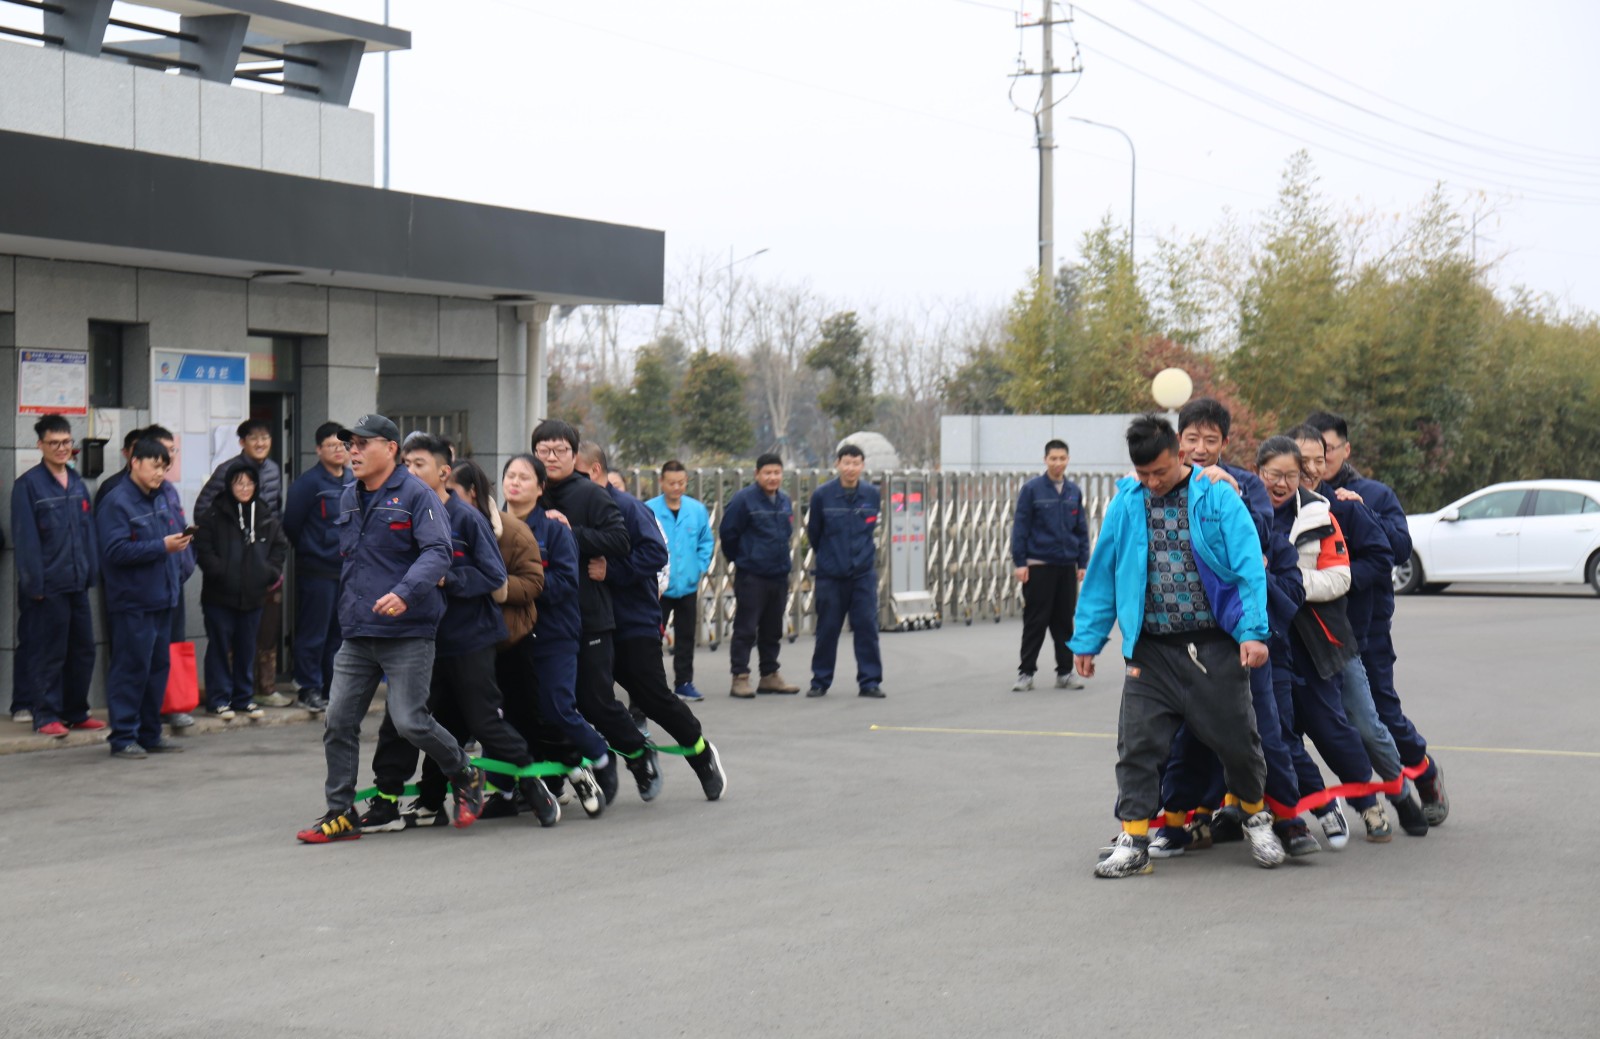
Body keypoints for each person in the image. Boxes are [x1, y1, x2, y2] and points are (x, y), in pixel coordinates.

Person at [1069, 415, 1285, 878]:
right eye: (1143, 473)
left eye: (1160, 472)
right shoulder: (1127, 502)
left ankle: (1255, 818)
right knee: (1137, 745)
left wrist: (1252, 630)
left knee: (1238, 743)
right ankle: (1134, 841)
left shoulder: (1216, 496)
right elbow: (1104, 573)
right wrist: (1087, 640)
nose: (1152, 482)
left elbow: (1247, 565)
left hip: (1213, 646)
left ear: (1181, 456)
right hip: (1150, 650)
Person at [296, 414, 485, 844]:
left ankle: (465, 771)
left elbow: (438, 553)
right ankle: (340, 812)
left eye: (363, 443)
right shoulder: (349, 495)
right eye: (350, 444)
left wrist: (404, 593)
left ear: (391, 448)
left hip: (408, 630)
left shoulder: (418, 495)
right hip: (358, 630)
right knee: (338, 720)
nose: (353, 451)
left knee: (410, 721)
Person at [360, 434, 559, 833]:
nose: (410, 471)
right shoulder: (399, 515)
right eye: (406, 465)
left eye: (419, 465)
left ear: (443, 472)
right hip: (419, 638)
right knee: (402, 721)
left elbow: (494, 576)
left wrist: (447, 578)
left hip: (469, 638)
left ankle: (532, 784)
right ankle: (389, 801)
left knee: (483, 721)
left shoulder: (467, 518)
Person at [1307, 410, 1448, 826]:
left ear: (1345, 450)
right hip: (1314, 629)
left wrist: (1362, 511)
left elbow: (1398, 550)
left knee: (1381, 713)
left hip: (1365, 625)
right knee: (1318, 719)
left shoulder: (1373, 494)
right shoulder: (1294, 496)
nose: (1319, 461)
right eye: (1311, 453)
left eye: (1328, 451)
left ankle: (1424, 774)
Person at [579, 444, 727, 801]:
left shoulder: (628, 508)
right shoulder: (567, 508)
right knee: (590, 700)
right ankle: (633, 758)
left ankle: (699, 752)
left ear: (594, 470)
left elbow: (656, 554)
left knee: (652, 697)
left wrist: (611, 571)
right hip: (590, 622)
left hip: (632, 620)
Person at [531, 419, 650, 805]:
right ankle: (561, 776)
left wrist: (571, 532)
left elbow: (620, 540)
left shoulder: (591, 494)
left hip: (590, 615)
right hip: (544, 617)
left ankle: (636, 754)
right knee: (551, 703)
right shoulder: (530, 493)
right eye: (543, 450)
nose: (551, 457)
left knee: (595, 699)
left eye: (560, 450)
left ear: (574, 454)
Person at [500, 453, 608, 818]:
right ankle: (524, 787)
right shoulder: (491, 526)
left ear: (540, 488)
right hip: (508, 637)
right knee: (516, 716)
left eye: (524, 477)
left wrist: (521, 586)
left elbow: (564, 582)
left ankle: (597, 759)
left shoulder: (554, 529)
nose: (515, 482)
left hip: (552, 632)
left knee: (557, 707)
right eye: (510, 476)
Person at [97, 437, 190, 759]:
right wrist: (162, 546)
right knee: (131, 669)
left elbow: (173, 538)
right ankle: (123, 736)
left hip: (163, 598)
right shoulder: (117, 501)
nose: (160, 473)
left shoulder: (162, 496)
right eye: (154, 466)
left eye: (164, 467)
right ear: (134, 462)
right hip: (132, 602)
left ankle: (150, 734)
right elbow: (114, 551)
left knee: (157, 669)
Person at [10, 414, 102, 736]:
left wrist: (91, 572)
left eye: (66, 442)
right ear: (40, 445)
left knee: (83, 650)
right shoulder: (28, 485)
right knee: (49, 652)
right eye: (54, 443)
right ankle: (45, 714)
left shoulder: (76, 482)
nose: (61, 448)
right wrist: (34, 584)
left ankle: (75, 711)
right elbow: (25, 540)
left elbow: (88, 531)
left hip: (77, 583)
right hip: (47, 586)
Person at [195, 419, 287, 707]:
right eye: (253, 438)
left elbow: (277, 521)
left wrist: (268, 569)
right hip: (225, 580)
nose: (260, 443)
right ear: (242, 442)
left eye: (265, 437)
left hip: (258, 576)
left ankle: (255, 692)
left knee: (258, 636)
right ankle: (221, 697)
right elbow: (202, 512)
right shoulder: (227, 471)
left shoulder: (273, 471)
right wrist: (221, 564)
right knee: (223, 642)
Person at [281, 422, 352, 713]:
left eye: (343, 445)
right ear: (318, 450)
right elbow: (291, 524)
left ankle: (330, 688)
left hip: (346, 570)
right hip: (317, 570)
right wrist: (315, 547)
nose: (339, 450)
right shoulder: (308, 483)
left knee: (338, 635)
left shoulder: (354, 480)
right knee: (314, 633)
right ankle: (308, 687)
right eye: (331, 445)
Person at [1010, 439, 1091, 693]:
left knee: (1064, 622)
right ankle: (1026, 673)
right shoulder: (1032, 490)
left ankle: (1065, 672)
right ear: (1045, 460)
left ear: (1068, 460)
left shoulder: (1073, 492)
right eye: (1053, 458)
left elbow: (1081, 530)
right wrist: (1020, 562)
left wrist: (1083, 562)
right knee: (1035, 621)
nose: (1058, 463)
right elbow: (1020, 528)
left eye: (1062, 458)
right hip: (1039, 564)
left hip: (1066, 564)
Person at [805, 443, 885, 698]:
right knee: (827, 630)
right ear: (837, 464)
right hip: (831, 575)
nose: (851, 468)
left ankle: (870, 682)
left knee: (867, 628)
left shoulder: (872, 494)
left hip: (862, 574)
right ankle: (820, 681)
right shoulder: (822, 495)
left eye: (856, 463)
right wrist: (830, 558)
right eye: (846, 463)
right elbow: (814, 533)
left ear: (863, 466)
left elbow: (871, 529)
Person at [719, 453, 800, 698]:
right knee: (746, 628)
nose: (772, 477)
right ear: (757, 474)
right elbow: (728, 534)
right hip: (752, 575)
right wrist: (743, 559)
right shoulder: (743, 500)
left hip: (779, 574)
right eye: (767, 473)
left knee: (773, 628)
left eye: (777, 473)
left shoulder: (783, 500)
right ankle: (740, 676)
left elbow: (786, 533)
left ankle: (769, 675)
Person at [646, 460, 715, 702]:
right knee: (652, 637)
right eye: (671, 483)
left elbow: (706, 541)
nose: (676, 487)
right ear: (661, 482)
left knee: (686, 636)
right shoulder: (649, 509)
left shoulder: (696, 510)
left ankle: (684, 682)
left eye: (681, 483)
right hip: (658, 587)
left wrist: (700, 566)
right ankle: (652, 684)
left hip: (687, 584)